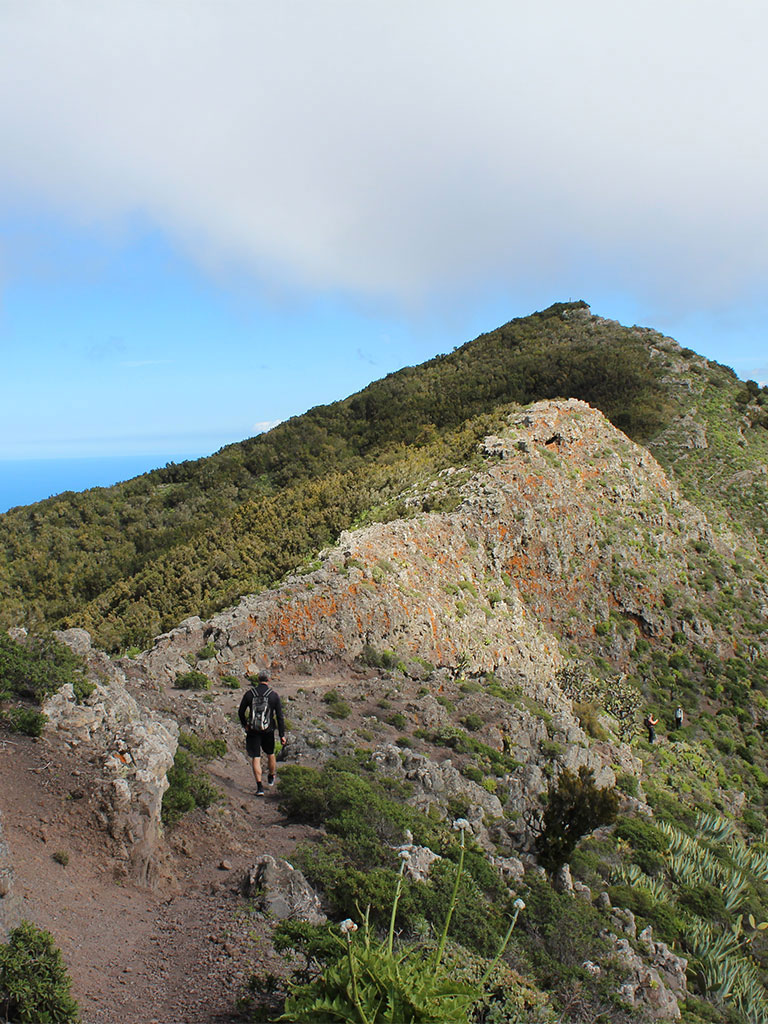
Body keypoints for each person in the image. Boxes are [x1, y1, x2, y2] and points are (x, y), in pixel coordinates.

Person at [238, 670, 286, 797]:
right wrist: (282, 735)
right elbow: (280, 717)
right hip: (268, 730)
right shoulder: (273, 695)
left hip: (253, 731)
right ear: (269, 679)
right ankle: (271, 776)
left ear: (258, 679)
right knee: (270, 754)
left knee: (256, 758)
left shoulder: (249, 694)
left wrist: (245, 725)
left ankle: (259, 787)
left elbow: (241, 712)